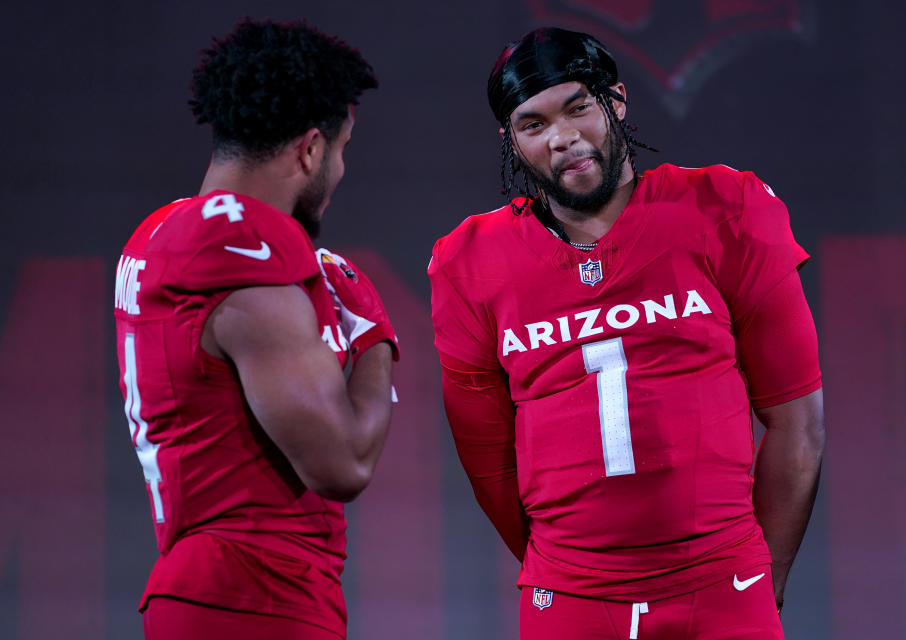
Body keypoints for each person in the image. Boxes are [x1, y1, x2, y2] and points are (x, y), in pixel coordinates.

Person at [429, 27, 824, 640]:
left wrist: (757, 578)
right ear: (511, 140)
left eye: (578, 107)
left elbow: (797, 419)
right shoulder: (470, 259)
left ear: (615, 101)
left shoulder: (725, 208)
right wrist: (571, 571)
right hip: (573, 594)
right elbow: (488, 464)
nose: (563, 137)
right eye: (533, 124)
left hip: (724, 580)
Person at [113, 18, 398, 640]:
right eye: (343, 151)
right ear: (312, 149)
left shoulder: (160, 229)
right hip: (257, 594)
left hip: (204, 587)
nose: (341, 171)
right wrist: (374, 341)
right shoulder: (247, 242)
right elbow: (342, 465)